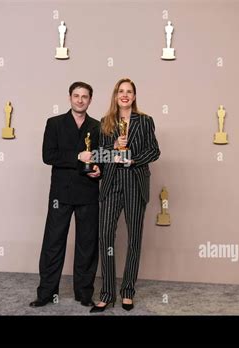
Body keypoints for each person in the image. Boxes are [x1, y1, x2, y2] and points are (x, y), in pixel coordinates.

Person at [90, 78, 160, 312]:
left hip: (134, 182)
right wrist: (113, 149)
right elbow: (99, 154)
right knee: (105, 238)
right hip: (111, 184)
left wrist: (133, 159)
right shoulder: (105, 122)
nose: (125, 95)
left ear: (134, 96)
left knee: (134, 239)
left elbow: (154, 150)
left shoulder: (145, 121)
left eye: (129, 91)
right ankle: (107, 293)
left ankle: (128, 291)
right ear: (115, 95)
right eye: (121, 91)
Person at [30, 81, 101, 308]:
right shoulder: (55, 123)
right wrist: (77, 158)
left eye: (85, 96)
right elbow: (48, 155)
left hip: (88, 192)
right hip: (61, 193)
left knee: (87, 244)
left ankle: (84, 293)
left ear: (90, 100)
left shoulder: (99, 126)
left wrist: (99, 170)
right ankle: (46, 293)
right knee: (53, 243)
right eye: (76, 96)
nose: (80, 100)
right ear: (70, 98)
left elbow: (101, 157)